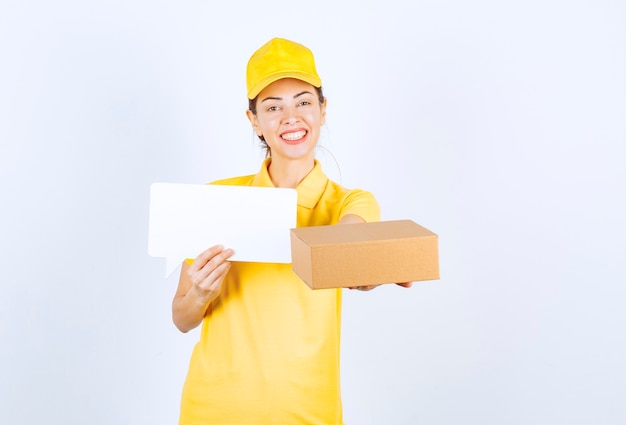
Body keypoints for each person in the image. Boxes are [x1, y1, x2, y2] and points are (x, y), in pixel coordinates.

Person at [171, 37, 411, 425]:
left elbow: (347, 246)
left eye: (303, 102)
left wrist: (362, 267)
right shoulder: (216, 200)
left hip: (308, 412)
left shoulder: (350, 204)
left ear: (322, 110)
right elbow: (181, 318)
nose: (291, 117)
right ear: (254, 121)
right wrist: (199, 294)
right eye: (273, 107)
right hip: (213, 411)